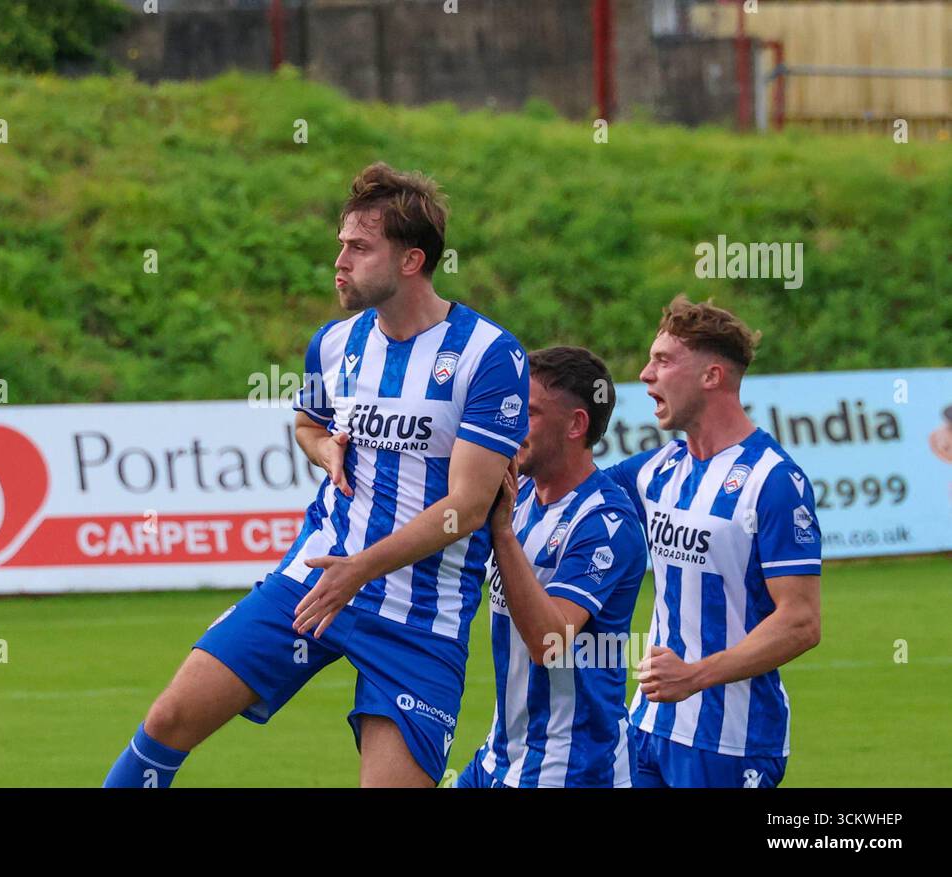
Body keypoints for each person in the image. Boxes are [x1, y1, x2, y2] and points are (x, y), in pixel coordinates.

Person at [103, 162, 529, 787]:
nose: (341, 261)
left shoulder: (490, 355)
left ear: (412, 261)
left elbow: (465, 507)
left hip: (420, 615)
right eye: (341, 245)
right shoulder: (334, 343)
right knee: (169, 719)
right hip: (311, 579)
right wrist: (324, 451)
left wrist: (361, 569)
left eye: (360, 247)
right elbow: (309, 424)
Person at [604, 295, 822, 788]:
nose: (645, 374)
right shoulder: (657, 470)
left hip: (733, 742)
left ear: (712, 377)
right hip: (648, 727)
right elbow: (576, 488)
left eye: (663, 361)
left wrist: (695, 676)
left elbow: (802, 622)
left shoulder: (774, 481)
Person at [457, 347, 647, 788]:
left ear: (576, 424)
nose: (512, 424)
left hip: (570, 765)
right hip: (500, 755)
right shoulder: (519, 495)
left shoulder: (605, 524)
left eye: (530, 412)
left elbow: (550, 643)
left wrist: (502, 535)